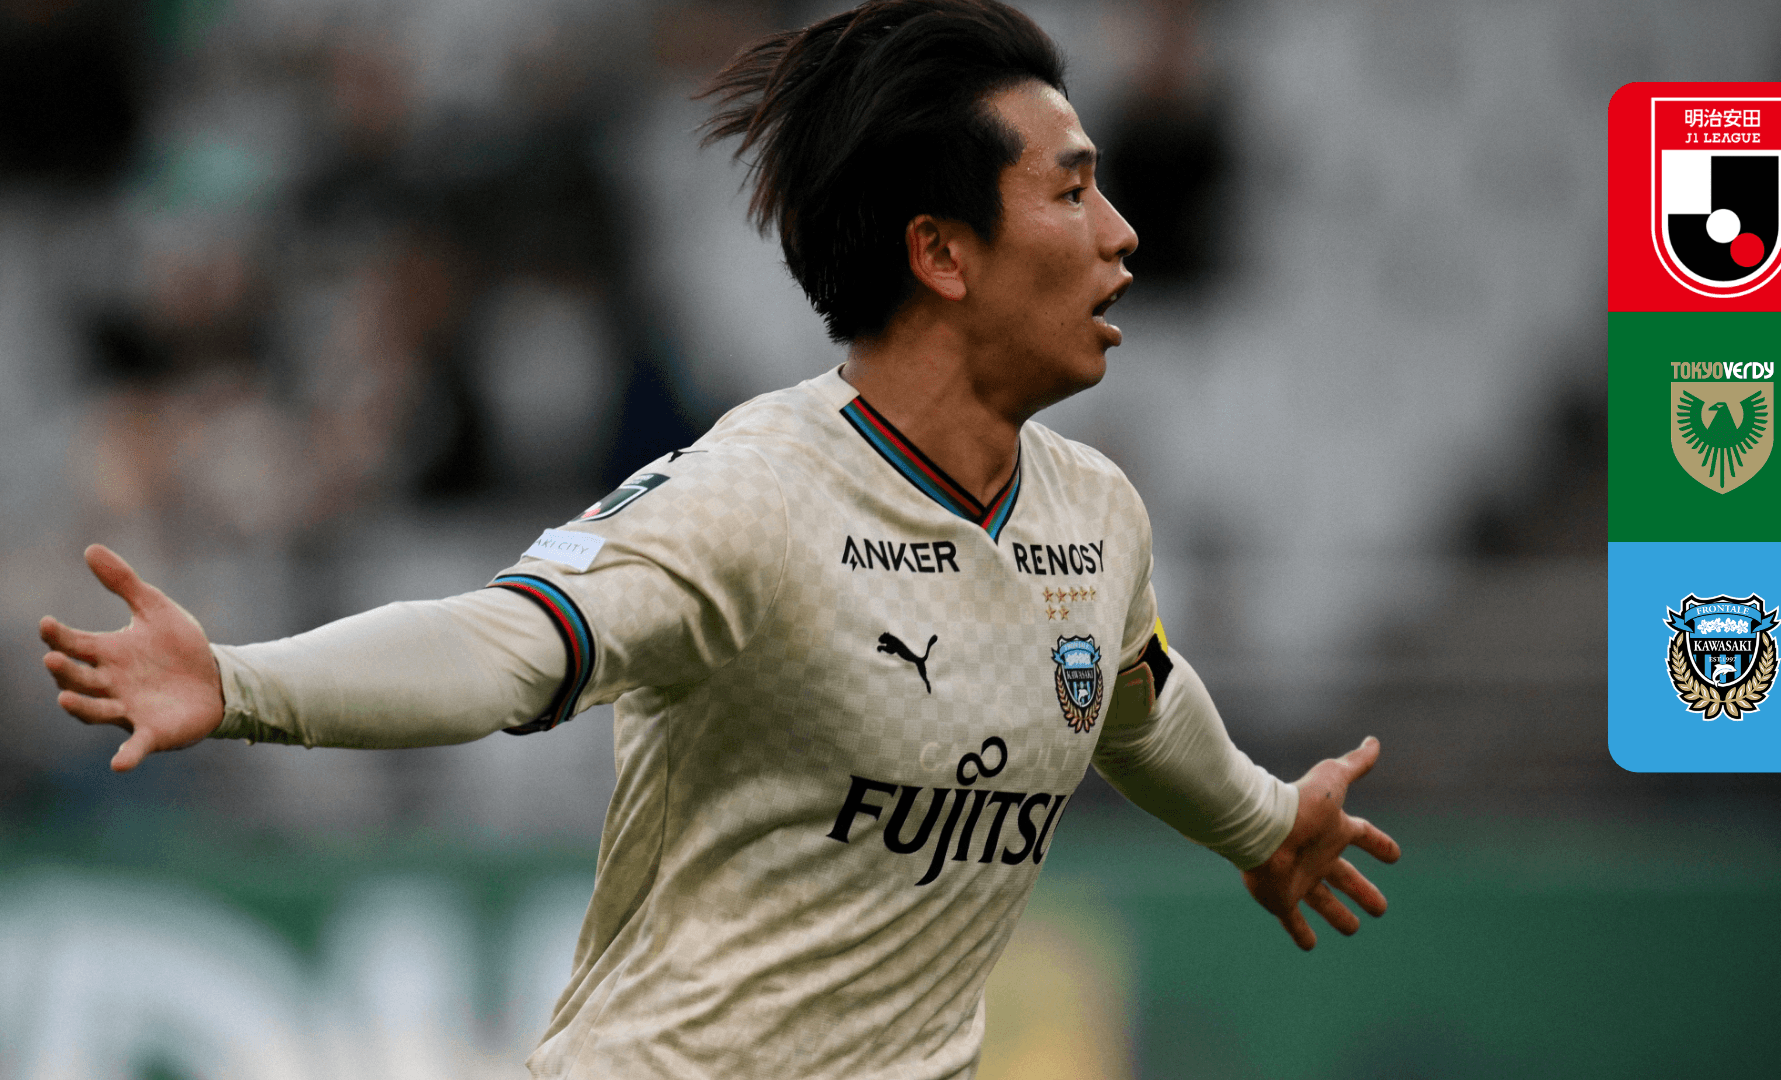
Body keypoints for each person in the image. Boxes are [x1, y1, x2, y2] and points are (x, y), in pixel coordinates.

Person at [38, 1, 1400, 1076]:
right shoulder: (759, 494)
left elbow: (1138, 702)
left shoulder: (1095, 515)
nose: (1122, 234)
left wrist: (1262, 822)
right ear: (942, 254)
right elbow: (502, 646)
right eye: (1073, 193)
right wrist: (241, 682)